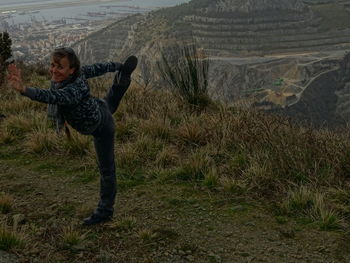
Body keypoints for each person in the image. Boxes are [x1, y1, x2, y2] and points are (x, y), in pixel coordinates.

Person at [7, 47, 138, 225]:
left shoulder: (72, 91)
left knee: (107, 170)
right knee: (109, 103)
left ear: (72, 70)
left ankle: (105, 211)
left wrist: (24, 89)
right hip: (96, 107)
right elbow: (98, 68)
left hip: (101, 127)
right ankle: (122, 76)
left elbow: (51, 96)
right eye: (52, 65)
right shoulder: (79, 73)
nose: (54, 70)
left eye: (60, 67)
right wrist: (117, 65)